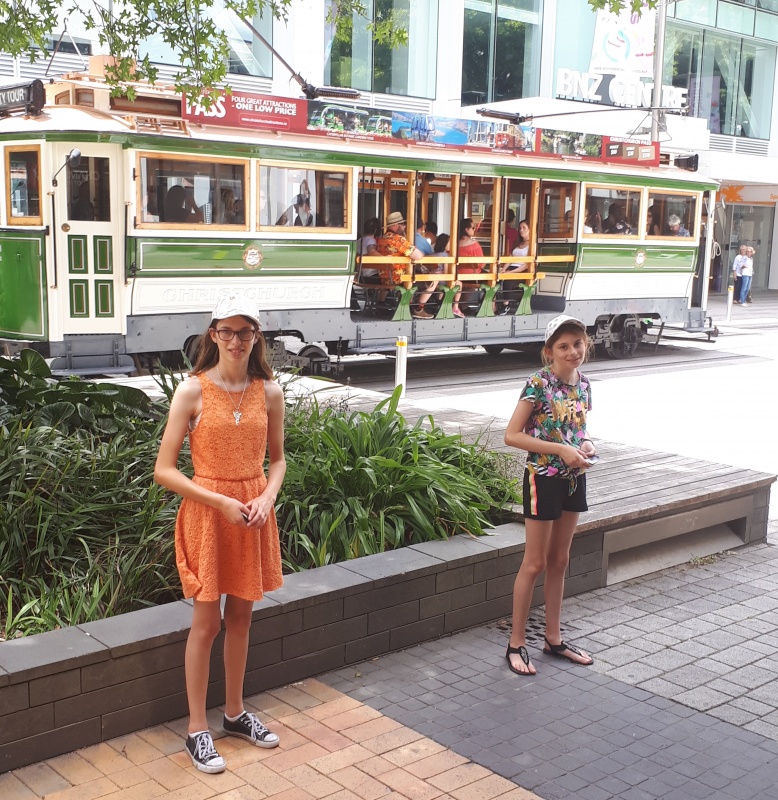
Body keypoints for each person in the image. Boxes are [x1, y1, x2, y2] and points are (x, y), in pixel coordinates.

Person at [154, 295, 286, 774]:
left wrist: (267, 496)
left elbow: (278, 460)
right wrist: (220, 502)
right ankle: (196, 729)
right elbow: (164, 470)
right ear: (213, 334)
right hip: (210, 515)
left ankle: (233, 714)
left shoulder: (269, 392)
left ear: (256, 336)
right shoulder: (192, 391)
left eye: (244, 331)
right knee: (207, 623)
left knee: (242, 620)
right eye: (226, 331)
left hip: (252, 513)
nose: (235, 340)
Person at [503, 315, 596, 677]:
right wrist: (560, 450)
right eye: (564, 346)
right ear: (549, 352)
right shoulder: (538, 384)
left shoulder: (583, 383)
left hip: (575, 478)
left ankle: (553, 639)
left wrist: (585, 445)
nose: (573, 351)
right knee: (535, 563)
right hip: (542, 479)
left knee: (560, 559)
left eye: (578, 343)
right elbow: (512, 435)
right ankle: (515, 644)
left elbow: (578, 430)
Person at [376, 211, 429, 319]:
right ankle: (416, 309)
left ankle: (382, 304)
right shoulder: (398, 239)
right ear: (396, 225)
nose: (405, 227)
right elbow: (418, 255)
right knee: (430, 280)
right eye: (403, 224)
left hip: (384, 277)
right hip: (398, 278)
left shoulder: (382, 239)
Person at [357, 217, 382, 285]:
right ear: (375, 230)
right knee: (389, 278)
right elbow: (371, 252)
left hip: (361, 277)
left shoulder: (359, 241)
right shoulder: (371, 240)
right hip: (372, 276)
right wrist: (384, 258)